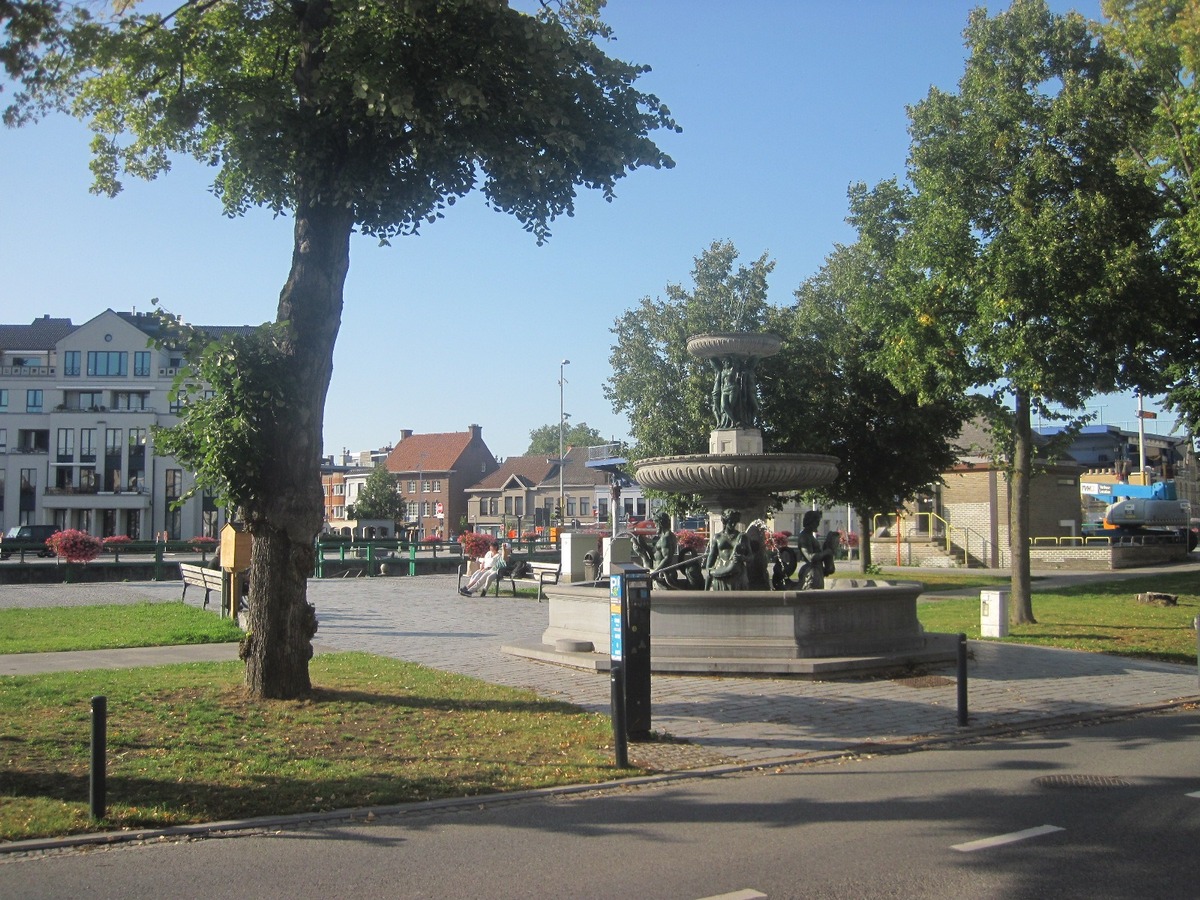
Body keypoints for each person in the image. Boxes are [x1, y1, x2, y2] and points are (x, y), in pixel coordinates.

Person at [705, 508, 749, 591]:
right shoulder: (717, 537)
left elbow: (751, 556)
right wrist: (709, 573)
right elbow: (712, 556)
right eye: (731, 521)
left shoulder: (742, 537)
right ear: (725, 521)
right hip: (720, 572)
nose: (733, 524)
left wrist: (742, 558)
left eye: (735, 522)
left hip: (737, 574)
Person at [796, 510, 837, 590]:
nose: (818, 524)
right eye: (817, 521)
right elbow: (810, 557)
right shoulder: (804, 537)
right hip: (812, 572)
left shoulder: (810, 536)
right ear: (810, 521)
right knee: (813, 597)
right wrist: (827, 552)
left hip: (818, 570)